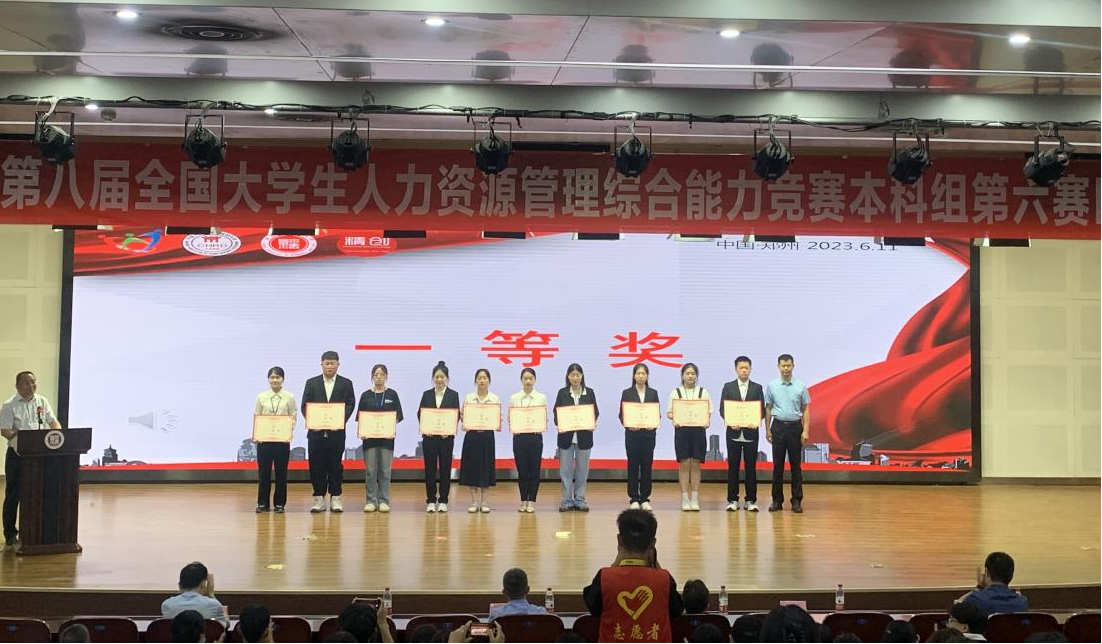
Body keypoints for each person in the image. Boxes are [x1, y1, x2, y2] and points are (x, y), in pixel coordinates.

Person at [582, 509, 683, 642]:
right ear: (653, 543)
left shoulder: (604, 577)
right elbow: (677, 611)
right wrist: (657, 566)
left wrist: (616, 563)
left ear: (619, 540)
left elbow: (593, 607)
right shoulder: (664, 579)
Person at [1, 371, 63, 546]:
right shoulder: (9, 405)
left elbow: (53, 422)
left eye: (33, 382)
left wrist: (57, 433)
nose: (31, 386)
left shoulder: (42, 401)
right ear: (18, 386)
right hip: (17, 456)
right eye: (27, 383)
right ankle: (10, 534)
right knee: (14, 495)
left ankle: (37, 531)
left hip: (41, 456)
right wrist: (19, 439)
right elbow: (5, 430)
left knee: (40, 493)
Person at [301, 351, 356, 513]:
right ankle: (319, 499)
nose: (330, 366)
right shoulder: (312, 383)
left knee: (335, 465)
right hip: (316, 433)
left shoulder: (346, 383)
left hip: (336, 433)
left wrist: (340, 420)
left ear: (338, 364)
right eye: (327, 363)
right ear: (321, 364)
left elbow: (351, 403)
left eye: (333, 363)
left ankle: (335, 498)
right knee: (316, 465)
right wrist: (313, 421)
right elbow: (305, 405)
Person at [764, 354, 811, 513]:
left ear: (793, 366)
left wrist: (806, 430)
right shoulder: (772, 385)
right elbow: (768, 408)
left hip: (795, 428)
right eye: (783, 365)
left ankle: (796, 501)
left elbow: (806, 409)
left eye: (788, 365)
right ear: (778, 366)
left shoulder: (800, 386)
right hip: (778, 427)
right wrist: (767, 429)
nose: (786, 368)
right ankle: (777, 501)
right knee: (777, 466)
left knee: (795, 466)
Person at [719, 356, 764, 512]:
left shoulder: (757, 388)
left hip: (751, 432)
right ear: (736, 369)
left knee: (751, 467)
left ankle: (750, 500)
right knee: (733, 467)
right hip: (733, 432)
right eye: (741, 368)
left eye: (746, 368)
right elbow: (722, 409)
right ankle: (732, 500)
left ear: (751, 369)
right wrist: (730, 421)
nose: (744, 370)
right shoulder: (728, 387)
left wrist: (756, 420)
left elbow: (761, 410)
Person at [359, 364, 404, 514]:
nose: (379, 377)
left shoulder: (392, 394)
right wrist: (363, 430)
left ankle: (384, 501)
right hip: (369, 439)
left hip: (386, 439)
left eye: (382, 374)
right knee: (371, 471)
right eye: (376, 374)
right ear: (372, 377)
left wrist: (388, 424)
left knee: (385, 470)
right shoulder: (365, 395)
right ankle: (371, 501)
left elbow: (398, 416)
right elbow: (360, 417)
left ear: (386, 376)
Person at [554, 363, 599, 512]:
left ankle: (580, 499)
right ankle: (567, 500)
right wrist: (561, 423)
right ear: (568, 376)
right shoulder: (562, 393)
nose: (575, 378)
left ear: (582, 376)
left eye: (577, 375)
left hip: (584, 437)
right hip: (566, 438)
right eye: (572, 375)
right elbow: (556, 413)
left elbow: (595, 412)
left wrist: (591, 421)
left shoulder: (589, 393)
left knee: (582, 471)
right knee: (565, 471)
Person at [667, 363, 711, 511]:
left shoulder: (703, 392)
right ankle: (685, 499)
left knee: (696, 464)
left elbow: (708, 411)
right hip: (682, 432)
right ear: (682, 375)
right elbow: (669, 413)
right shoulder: (676, 393)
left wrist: (706, 420)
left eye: (693, 373)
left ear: (696, 376)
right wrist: (676, 417)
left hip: (698, 432)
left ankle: (695, 498)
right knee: (684, 464)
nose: (690, 376)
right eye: (687, 373)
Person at [418, 361, 461, 513]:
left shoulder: (453, 395)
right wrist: (425, 428)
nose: (439, 380)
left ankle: (443, 500)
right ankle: (430, 500)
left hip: (446, 439)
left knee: (445, 469)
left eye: (442, 377)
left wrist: (449, 429)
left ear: (447, 378)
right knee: (429, 470)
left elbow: (456, 415)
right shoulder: (427, 394)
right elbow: (420, 413)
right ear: (433, 378)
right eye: (436, 377)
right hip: (429, 438)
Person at [254, 367, 296, 513]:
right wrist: (258, 434)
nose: (275, 380)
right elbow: (257, 416)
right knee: (263, 473)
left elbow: (293, 416)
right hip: (264, 442)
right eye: (272, 377)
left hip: (282, 441)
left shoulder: (289, 397)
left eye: (278, 377)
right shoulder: (261, 397)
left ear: (283, 379)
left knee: (281, 473)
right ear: (268, 379)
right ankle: (262, 504)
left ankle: (279, 504)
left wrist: (288, 431)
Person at [619, 364, 659, 510]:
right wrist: (628, 425)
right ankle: (634, 498)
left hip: (648, 436)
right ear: (633, 375)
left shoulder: (653, 393)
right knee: (633, 466)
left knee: (647, 466)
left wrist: (653, 424)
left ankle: (645, 498)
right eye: (638, 373)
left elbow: (657, 413)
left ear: (647, 376)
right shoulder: (627, 393)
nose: (641, 376)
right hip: (632, 435)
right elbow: (622, 414)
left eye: (643, 373)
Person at [460, 368, 499, 513]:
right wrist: (465, 421)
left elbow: (497, 419)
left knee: (486, 468)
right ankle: (474, 501)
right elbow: (463, 417)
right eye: (479, 378)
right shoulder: (469, 398)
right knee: (472, 468)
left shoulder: (494, 399)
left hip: (487, 437)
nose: (482, 380)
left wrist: (498, 422)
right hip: (472, 437)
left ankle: (484, 501)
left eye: (485, 378)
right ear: (475, 381)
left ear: (489, 381)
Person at [510, 368, 547, 513]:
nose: (528, 381)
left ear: (535, 380)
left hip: (535, 437)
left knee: (534, 470)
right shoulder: (514, 398)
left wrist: (542, 422)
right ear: (521, 380)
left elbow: (543, 417)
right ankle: (523, 500)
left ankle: (531, 500)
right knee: (522, 470)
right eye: (525, 378)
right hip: (519, 438)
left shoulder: (541, 397)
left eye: (530, 378)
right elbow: (511, 416)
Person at [957, 551, 1029, 615]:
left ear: (987, 572)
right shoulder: (1022, 602)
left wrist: (979, 587)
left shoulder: (975, 599)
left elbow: (957, 607)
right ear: (1012, 576)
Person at [161, 562, 229, 627]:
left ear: (179, 586)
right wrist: (211, 594)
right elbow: (225, 625)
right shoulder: (214, 605)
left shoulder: (167, 605)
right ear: (203, 585)